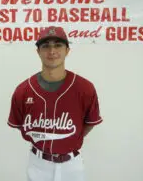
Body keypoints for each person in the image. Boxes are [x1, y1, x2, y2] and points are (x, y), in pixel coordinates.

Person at [7, 26, 103, 181]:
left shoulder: (85, 88)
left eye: (58, 45)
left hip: (72, 165)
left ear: (67, 50)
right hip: (38, 164)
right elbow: (19, 124)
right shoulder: (23, 90)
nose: (52, 51)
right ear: (38, 52)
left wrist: (68, 139)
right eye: (45, 46)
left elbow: (90, 122)